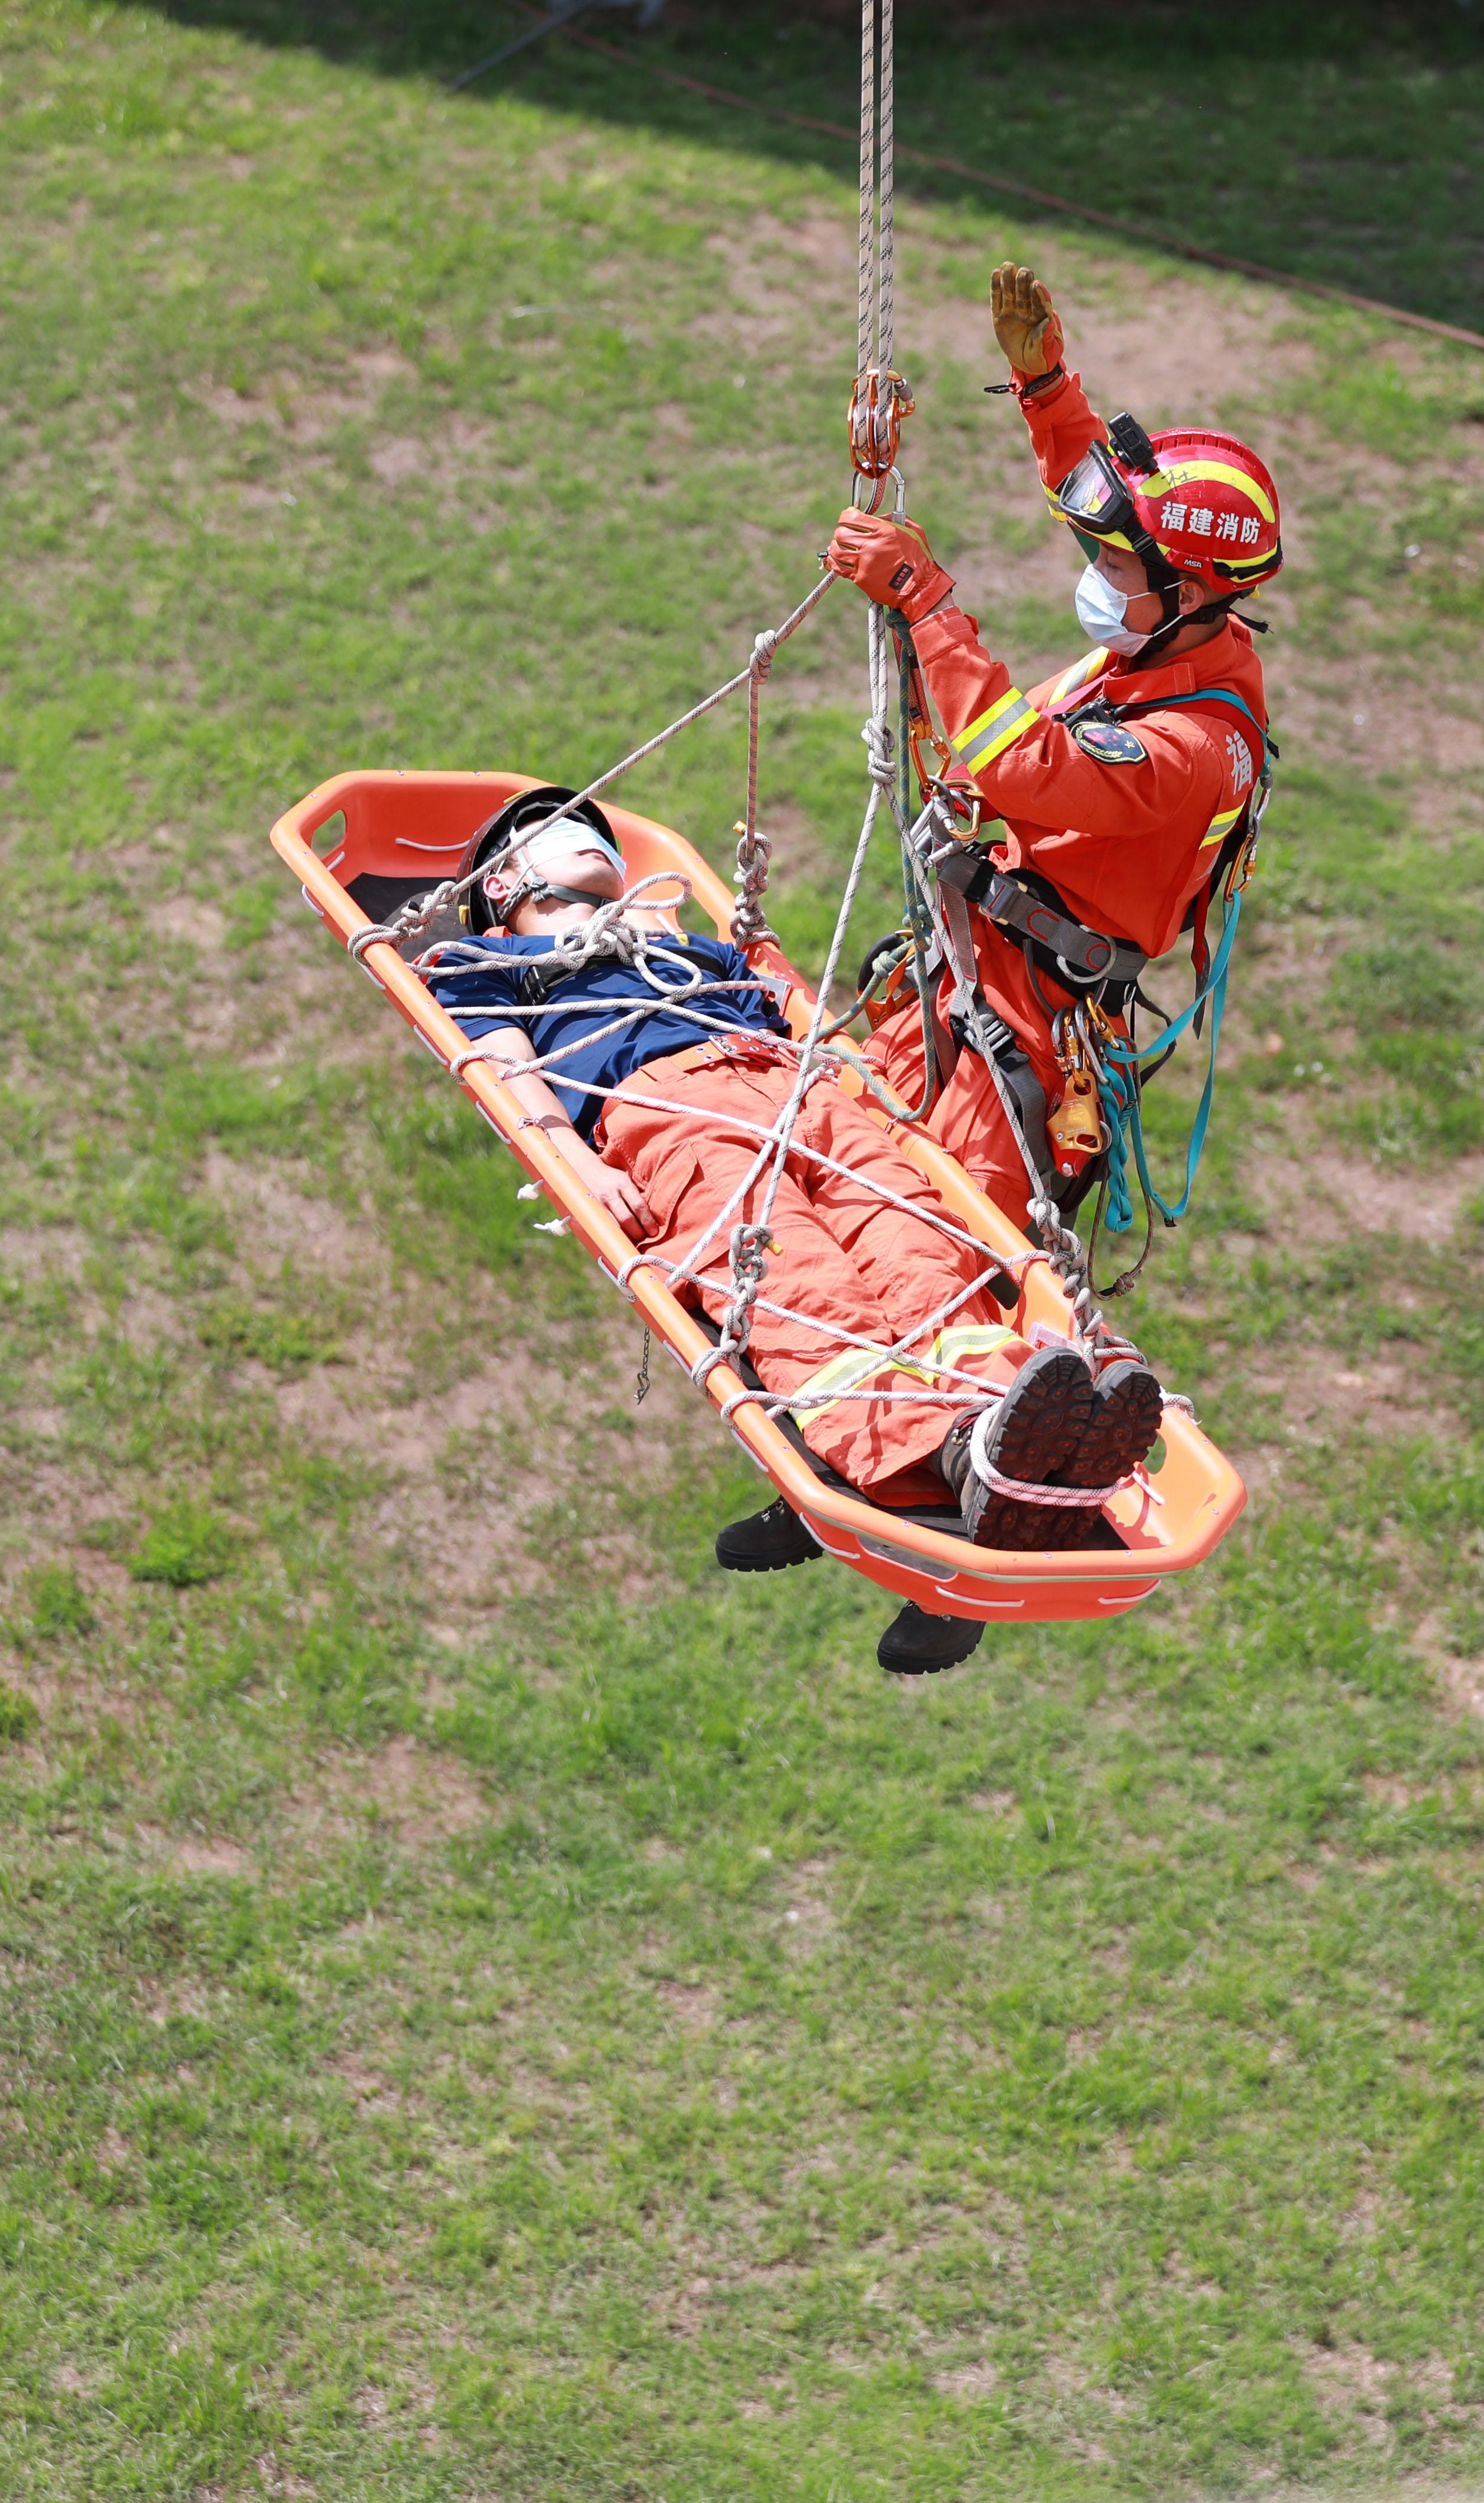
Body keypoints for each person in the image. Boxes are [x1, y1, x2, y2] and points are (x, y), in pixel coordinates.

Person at [414, 787, 1163, 1676]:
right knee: (800, 1292)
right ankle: (954, 1453)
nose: (594, 841)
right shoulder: (488, 962)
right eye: (562, 832)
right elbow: (500, 1065)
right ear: (505, 881)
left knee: (919, 1254)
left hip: (803, 1095)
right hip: (673, 1113)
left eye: (597, 831)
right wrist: (575, 1163)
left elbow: (797, 1020)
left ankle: (1011, 1425)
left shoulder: (682, 946)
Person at [819, 262, 1281, 1232]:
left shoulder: (1193, 744)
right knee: (838, 1158)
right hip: (975, 971)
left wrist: (926, 602)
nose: (1096, 575)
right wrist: (1048, 389)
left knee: (931, 1242)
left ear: (1189, 593)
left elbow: (1018, 766)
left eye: (1114, 565)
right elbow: (1122, 515)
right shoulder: (1179, 641)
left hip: (1033, 1037)